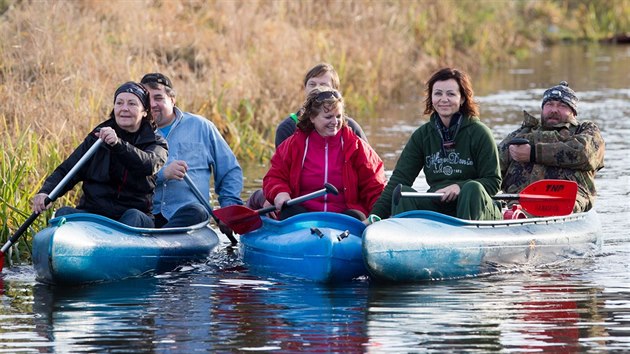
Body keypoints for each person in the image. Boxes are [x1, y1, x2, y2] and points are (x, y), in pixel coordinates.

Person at [369, 67, 502, 221]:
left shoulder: (480, 133)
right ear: (431, 98)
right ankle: (408, 241)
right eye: (438, 93)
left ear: (463, 99)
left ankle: (465, 238)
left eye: (451, 94)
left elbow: (493, 182)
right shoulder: (422, 136)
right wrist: (375, 215)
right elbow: (399, 180)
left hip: (477, 206)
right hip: (439, 206)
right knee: (403, 193)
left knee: (473, 188)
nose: (443, 99)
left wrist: (459, 187)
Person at [32, 81, 168, 228]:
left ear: (145, 111)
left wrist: (118, 144)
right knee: (63, 214)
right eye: (119, 103)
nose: (124, 109)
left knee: (133, 217)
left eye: (132, 104)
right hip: (94, 214)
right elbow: (69, 170)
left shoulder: (157, 143)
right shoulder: (96, 138)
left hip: (131, 218)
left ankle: (119, 247)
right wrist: (46, 192)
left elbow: (148, 165)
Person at [247, 62, 368, 211]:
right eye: (312, 84)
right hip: (302, 211)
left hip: (344, 214)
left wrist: (375, 213)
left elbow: (370, 179)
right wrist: (278, 193)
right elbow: (279, 174)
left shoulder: (352, 133)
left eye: (323, 84)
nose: (334, 122)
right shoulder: (289, 132)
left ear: (335, 92)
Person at [140, 73, 243, 236]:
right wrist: (162, 174)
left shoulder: (202, 127)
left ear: (172, 99)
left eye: (158, 98)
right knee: (132, 215)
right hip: (148, 215)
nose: (152, 104)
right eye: (147, 99)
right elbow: (126, 176)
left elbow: (229, 171)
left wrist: (228, 209)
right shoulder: (135, 132)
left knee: (196, 211)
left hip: (191, 217)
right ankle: (155, 241)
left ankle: (158, 242)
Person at [262, 87, 386, 221]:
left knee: (356, 216)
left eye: (338, 116)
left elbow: (375, 185)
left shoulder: (357, 146)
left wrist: (378, 214)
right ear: (312, 118)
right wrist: (279, 193)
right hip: (303, 217)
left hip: (344, 217)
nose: (335, 122)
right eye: (328, 117)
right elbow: (274, 176)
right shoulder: (293, 145)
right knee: (289, 212)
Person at [498, 81, 605, 213]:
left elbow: (586, 154)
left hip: (565, 200)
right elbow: (493, 165)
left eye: (562, 105)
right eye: (549, 104)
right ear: (542, 109)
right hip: (517, 201)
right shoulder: (522, 134)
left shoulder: (585, 130)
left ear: (573, 112)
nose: (554, 110)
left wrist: (533, 153)